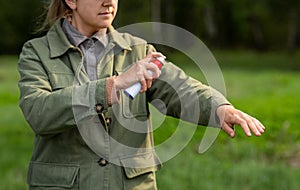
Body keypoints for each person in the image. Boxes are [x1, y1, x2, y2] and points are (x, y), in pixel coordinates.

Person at [18, 0, 265, 189]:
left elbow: (182, 89)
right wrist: (115, 85)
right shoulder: (36, 53)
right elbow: (39, 112)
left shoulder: (138, 50)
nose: (109, 1)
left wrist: (220, 109)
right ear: (71, 0)